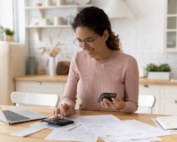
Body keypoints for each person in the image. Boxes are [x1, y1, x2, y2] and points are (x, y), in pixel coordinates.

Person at [54, 6, 139, 118]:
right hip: (85, 125)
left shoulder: (128, 62)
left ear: (105, 35)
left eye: (89, 40)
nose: (84, 47)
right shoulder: (78, 58)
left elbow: (133, 105)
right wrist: (67, 106)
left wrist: (120, 105)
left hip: (117, 126)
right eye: (79, 41)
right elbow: (68, 97)